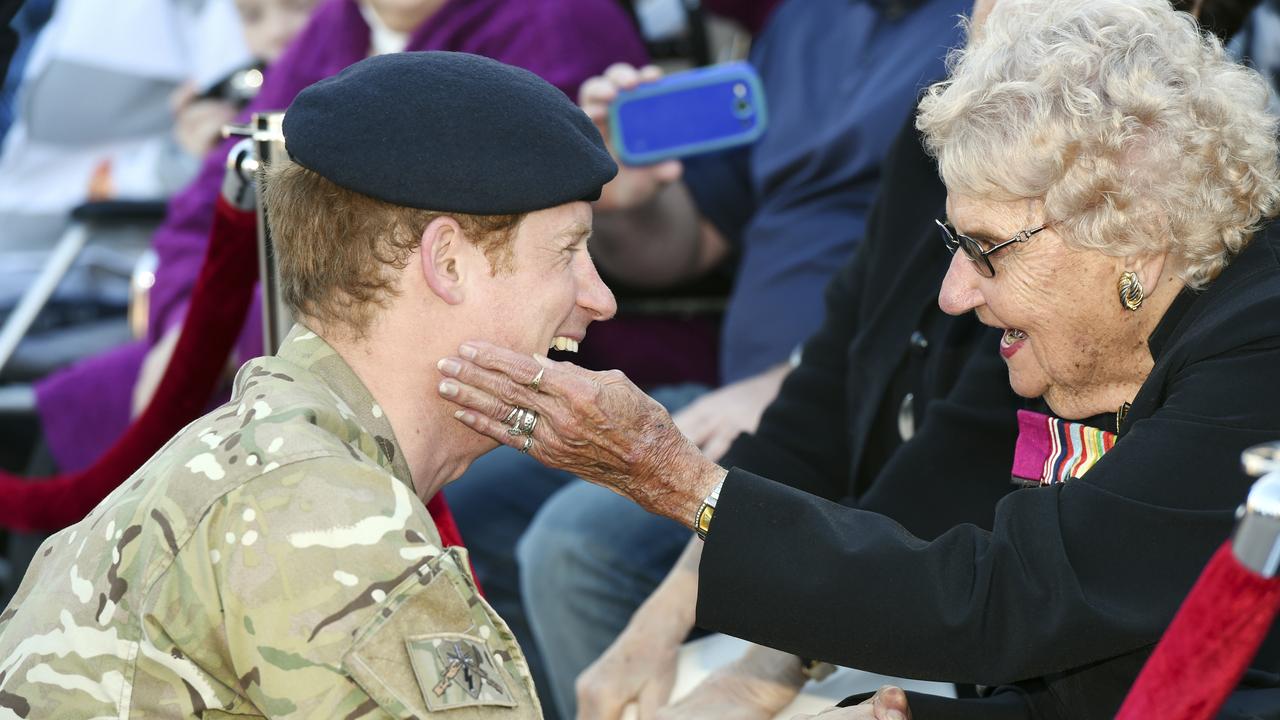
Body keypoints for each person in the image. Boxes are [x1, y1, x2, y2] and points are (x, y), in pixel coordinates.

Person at [436, 0, 1280, 717]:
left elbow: (1017, 592)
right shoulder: (1096, 304)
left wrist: (679, 483)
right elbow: (1097, 647)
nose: (954, 292)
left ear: (1132, 234)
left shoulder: (1258, 346)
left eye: (986, 250)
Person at [0, 51, 621, 718]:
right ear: (447, 262)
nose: (600, 298)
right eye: (566, 251)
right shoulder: (320, 515)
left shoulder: (275, 456)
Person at [445, 2, 976, 715]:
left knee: (577, 549)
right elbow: (690, 246)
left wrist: (782, 379)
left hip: (849, 405)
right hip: (760, 398)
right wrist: (622, 195)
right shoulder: (805, 23)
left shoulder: (979, 54)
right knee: (477, 497)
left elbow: (928, 391)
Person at [29, 0, 648, 478]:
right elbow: (215, 202)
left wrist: (218, 344)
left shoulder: (554, 18)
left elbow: (467, 253)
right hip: (270, 333)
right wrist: (184, 331)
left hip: (468, 360)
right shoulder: (336, 24)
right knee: (77, 412)